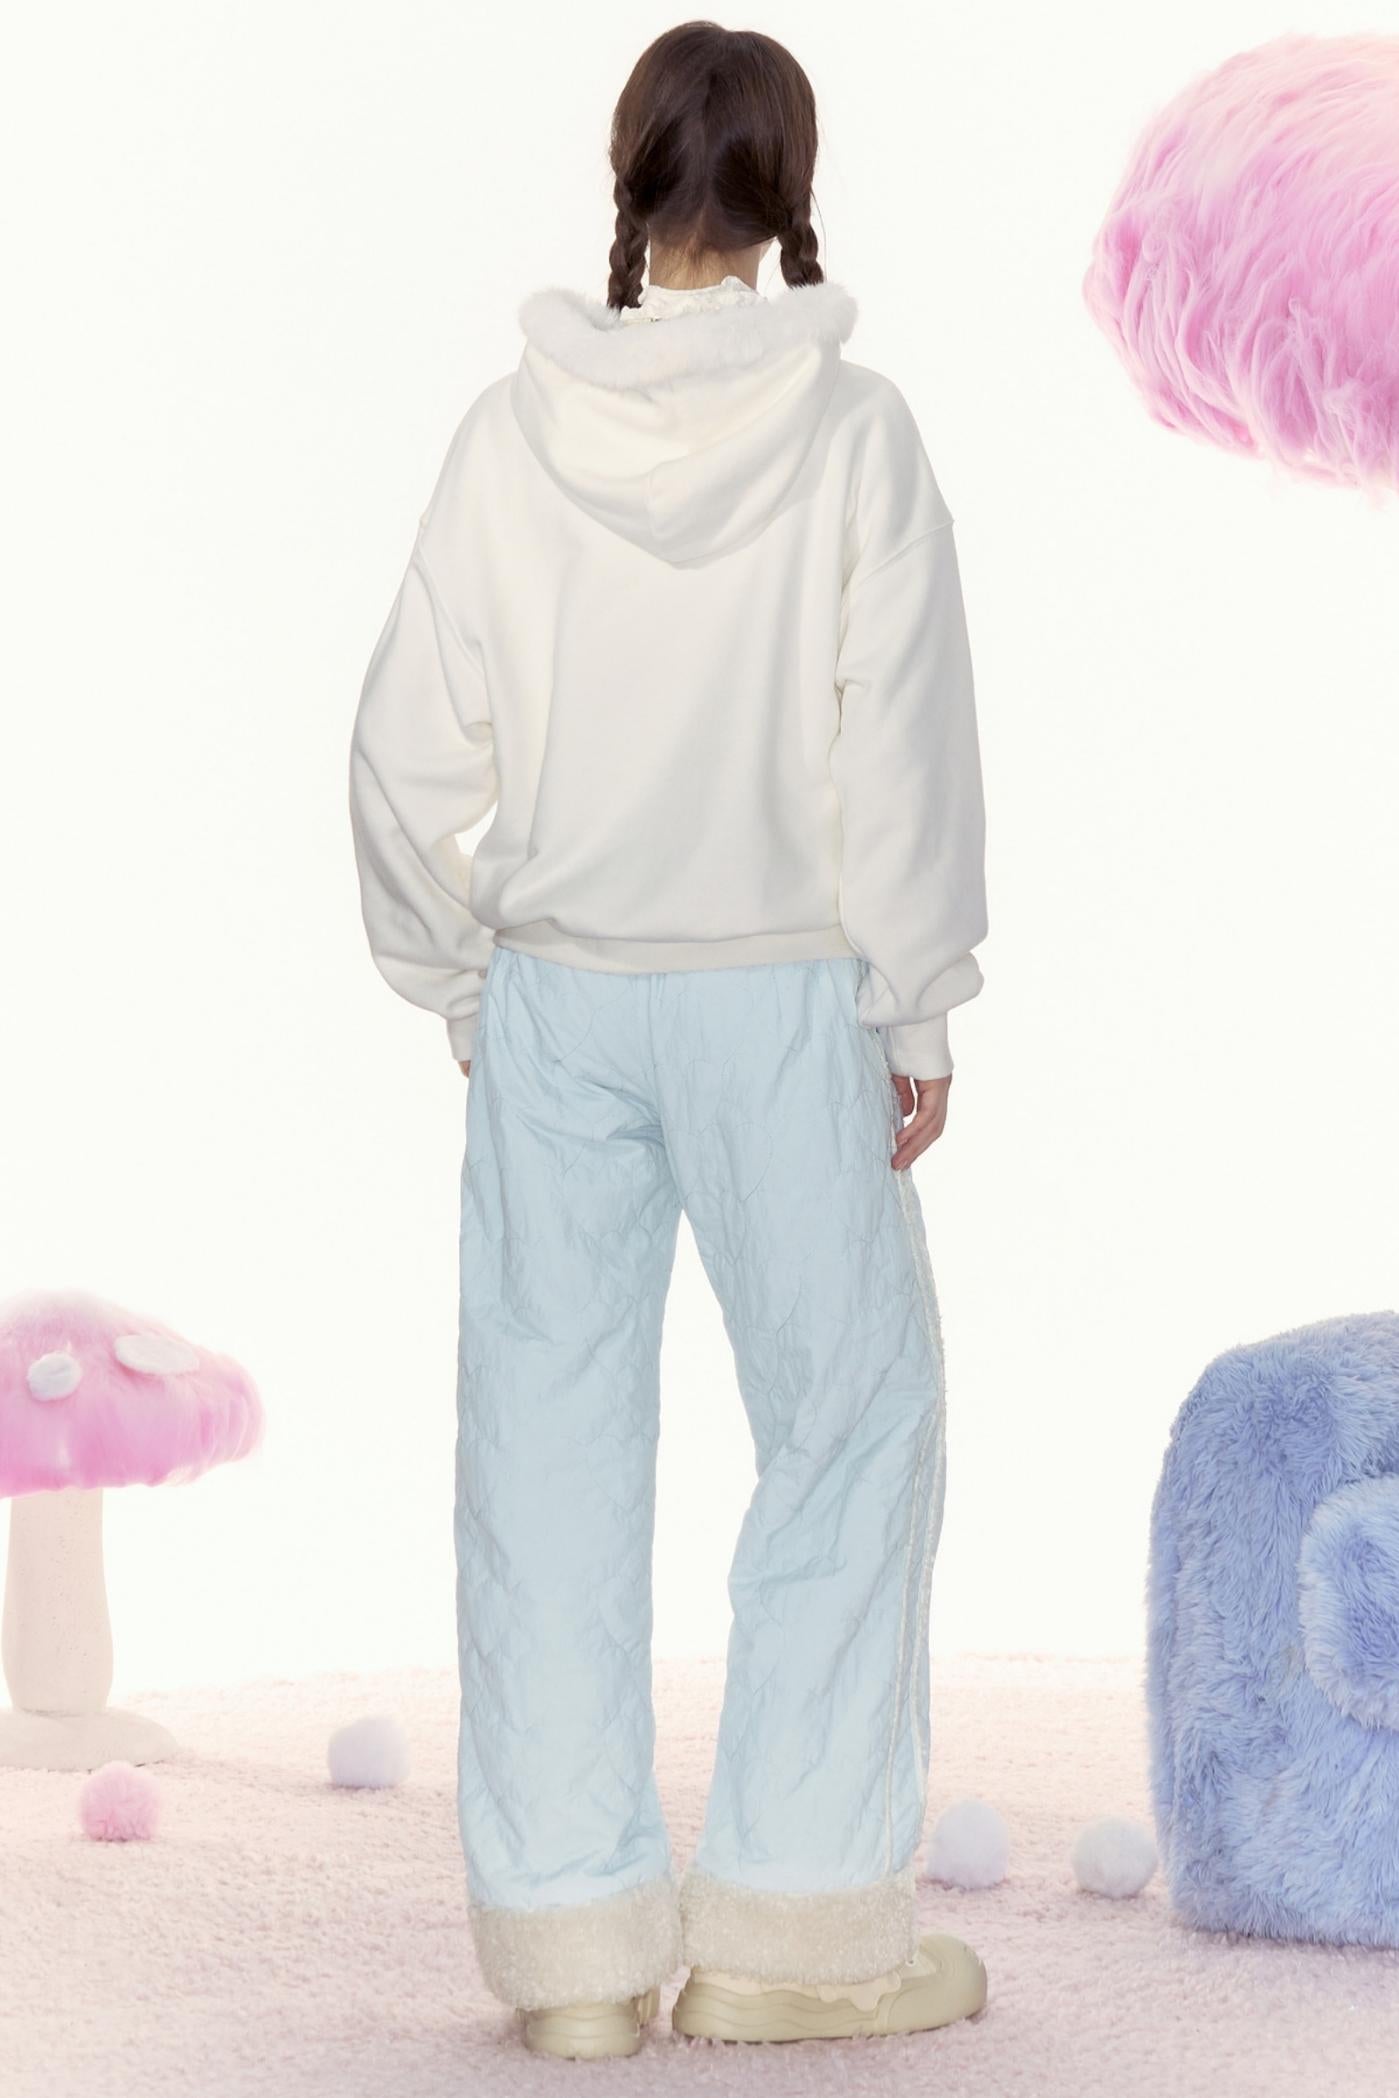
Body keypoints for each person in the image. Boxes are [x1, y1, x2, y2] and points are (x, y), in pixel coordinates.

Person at [349, 19, 989, 2062]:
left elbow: (398, 756)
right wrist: (914, 995)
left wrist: (464, 977)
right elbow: (899, 744)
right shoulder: (852, 432)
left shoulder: (507, 433)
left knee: (540, 1449)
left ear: (624, 180)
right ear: (792, 189)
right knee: (851, 1418)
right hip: (781, 991)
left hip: (561, 999)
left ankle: (573, 1963)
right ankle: (796, 1931)